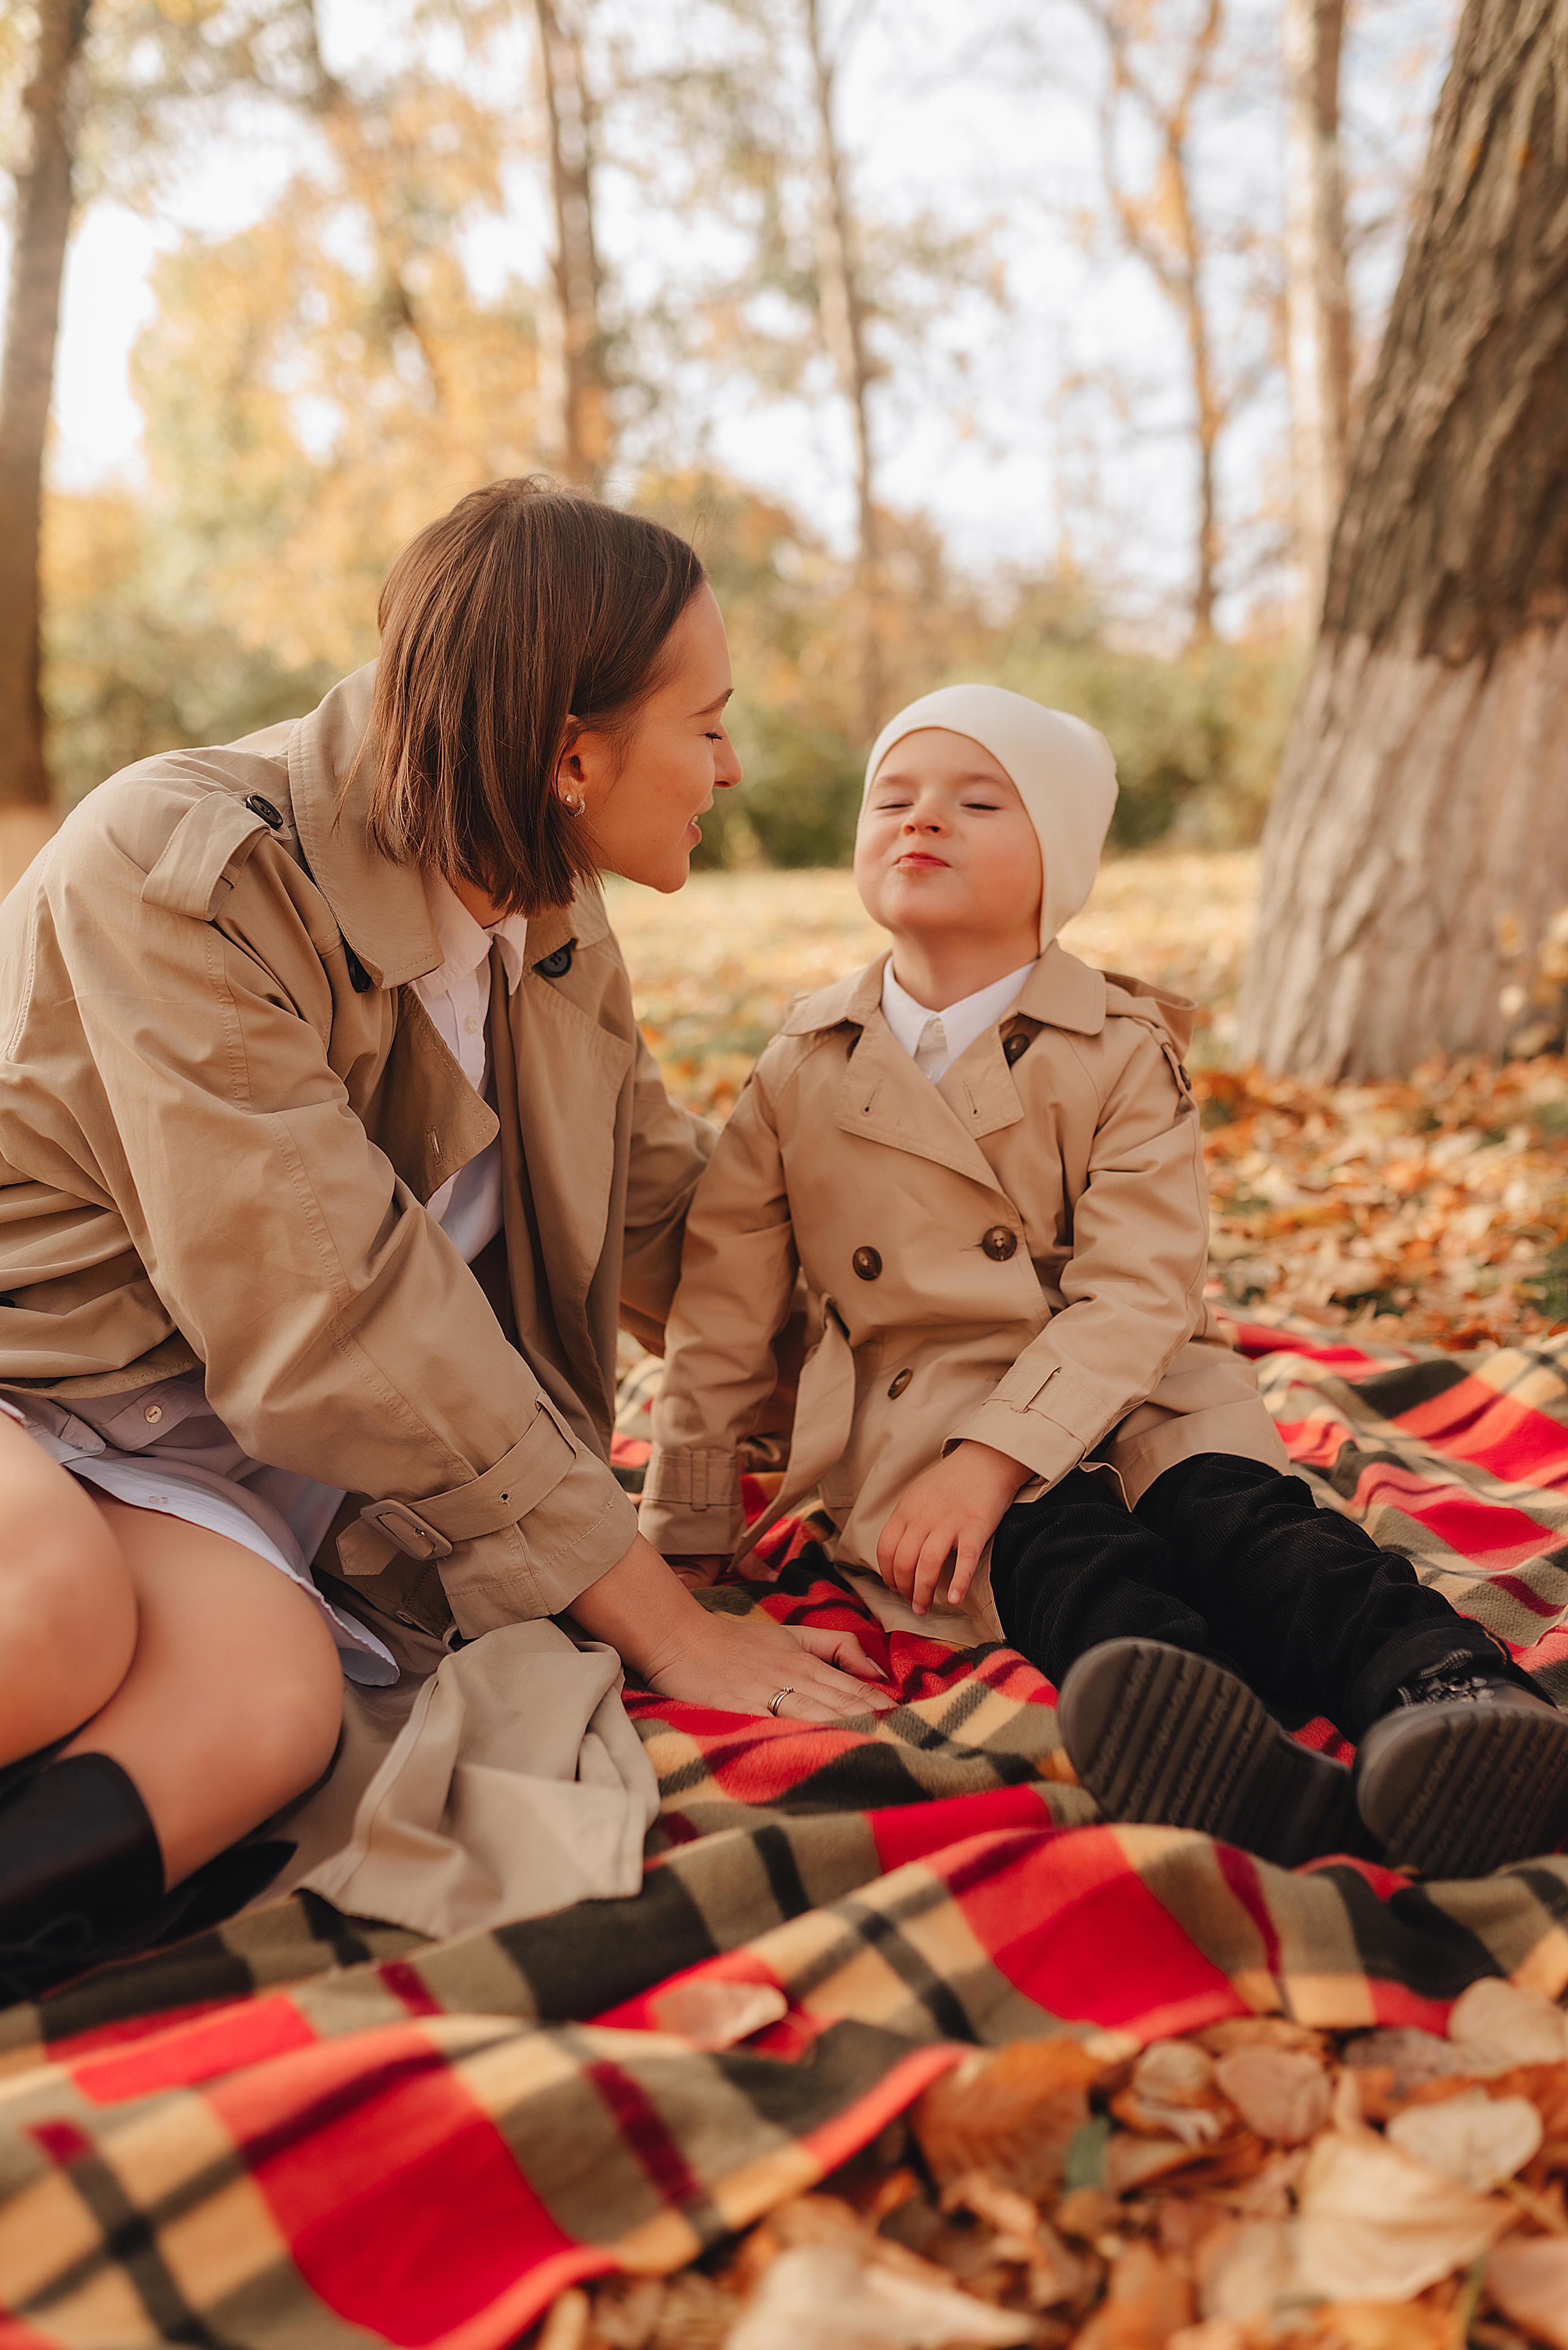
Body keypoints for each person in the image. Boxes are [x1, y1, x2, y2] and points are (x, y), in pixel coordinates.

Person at [0, 477, 891, 1999]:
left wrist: (929, 1383)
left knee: (267, 1711)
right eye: (708, 723)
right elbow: (336, 1303)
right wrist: (663, 1623)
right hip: (41, 1377)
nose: (732, 766)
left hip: (188, 1446)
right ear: (569, 754)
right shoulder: (184, 869)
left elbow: (659, 1211)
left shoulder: (542, 910)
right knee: (53, 1621)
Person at [640, 684, 1568, 1880]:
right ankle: (1226, 1751)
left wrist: (997, 1454)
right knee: (1065, 1565)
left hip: (1143, 1385)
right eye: (893, 797)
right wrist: (690, 1520)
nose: (922, 818)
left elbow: (1139, 1288)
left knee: (1254, 1530)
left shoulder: (1119, 1047)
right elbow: (719, 1311)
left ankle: (1449, 1697)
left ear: (1059, 862)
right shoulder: (798, 1067)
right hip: (928, 1419)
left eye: (979, 801)